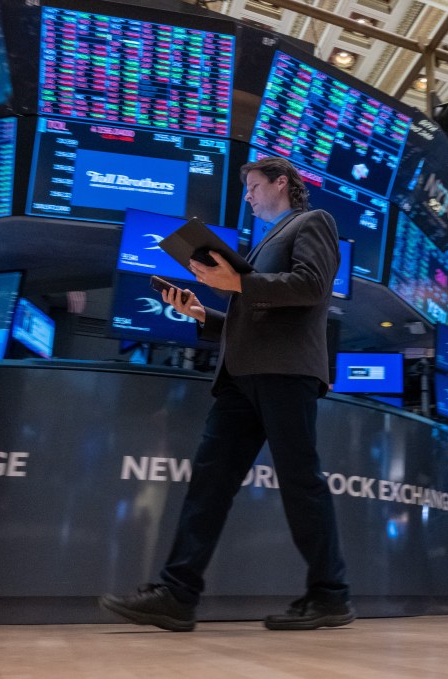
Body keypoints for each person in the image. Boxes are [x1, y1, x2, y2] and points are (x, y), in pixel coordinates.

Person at [100, 156, 352, 632]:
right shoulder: (260, 248)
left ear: (282, 182)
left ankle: (331, 595)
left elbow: (312, 286)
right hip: (241, 377)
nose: (249, 197)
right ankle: (177, 593)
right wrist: (201, 313)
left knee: (301, 484)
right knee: (209, 483)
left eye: (254, 187)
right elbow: (252, 317)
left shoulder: (314, 222)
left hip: (285, 374)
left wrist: (237, 282)